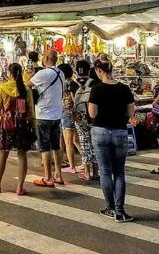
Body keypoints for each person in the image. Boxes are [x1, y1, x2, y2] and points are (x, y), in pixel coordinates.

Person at [89, 58, 136, 222]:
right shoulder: (124, 88)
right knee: (119, 172)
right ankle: (120, 210)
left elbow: (92, 114)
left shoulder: (96, 89)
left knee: (105, 172)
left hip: (100, 131)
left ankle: (109, 208)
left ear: (99, 70)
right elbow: (131, 112)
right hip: (120, 132)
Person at [0, 62, 36, 195]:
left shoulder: (2, 88)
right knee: (22, 155)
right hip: (22, 126)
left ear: (9, 74)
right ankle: (20, 188)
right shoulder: (25, 89)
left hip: (6, 125)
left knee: (2, 154)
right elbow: (30, 111)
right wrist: (33, 125)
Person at [31, 51, 65, 187]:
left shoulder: (42, 74)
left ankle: (48, 177)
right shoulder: (60, 73)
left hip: (44, 114)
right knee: (56, 145)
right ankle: (58, 174)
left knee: (44, 147)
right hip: (57, 114)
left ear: (45, 58)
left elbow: (27, 84)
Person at [73, 59, 99, 181]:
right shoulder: (95, 83)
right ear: (89, 69)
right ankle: (96, 171)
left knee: (84, 144)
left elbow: (69, 102)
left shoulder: (73, 84)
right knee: (94, 144)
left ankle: (87, 172)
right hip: (94, 117)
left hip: (80, 118)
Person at [58, 63, 80, 174]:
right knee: (75, 140)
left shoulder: (68, 84)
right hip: (70, 113)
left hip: (67, 113)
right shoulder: (72, 83)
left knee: (68, 142)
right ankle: (86, 162)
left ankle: (72, 166)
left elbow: (74, 100)